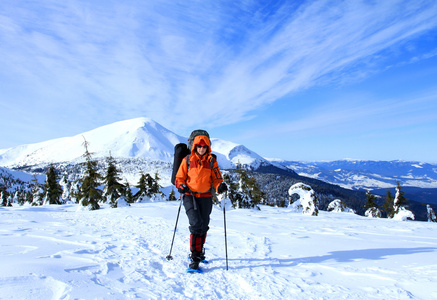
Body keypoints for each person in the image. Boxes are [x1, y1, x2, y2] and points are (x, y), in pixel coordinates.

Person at [175, 132, 227, 270]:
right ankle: (195, 256)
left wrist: (219, 186)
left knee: (204, 225)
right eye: (199, 146)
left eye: (204, 146)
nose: (202, 149)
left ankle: (200, 249)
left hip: (205, 197)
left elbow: (217, 178)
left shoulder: (211, 161)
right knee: (196, 224)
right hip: (189, 196)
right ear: (195, 147)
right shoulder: (187, 160)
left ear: (207, 147)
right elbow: (179, 178)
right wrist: (181, 186)